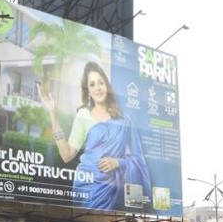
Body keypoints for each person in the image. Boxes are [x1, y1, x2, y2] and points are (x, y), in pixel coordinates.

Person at [40, 61, 151, 211]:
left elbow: (138, 159)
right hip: (86, 187)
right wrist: (52, 112)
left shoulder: (124, 119)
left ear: (107, 86)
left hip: (114, 188)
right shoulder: (83, 114)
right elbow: (66, 155)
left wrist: (119, 162)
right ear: (88, 91)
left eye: (101, 83)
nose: (97, 88)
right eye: (92, 84)